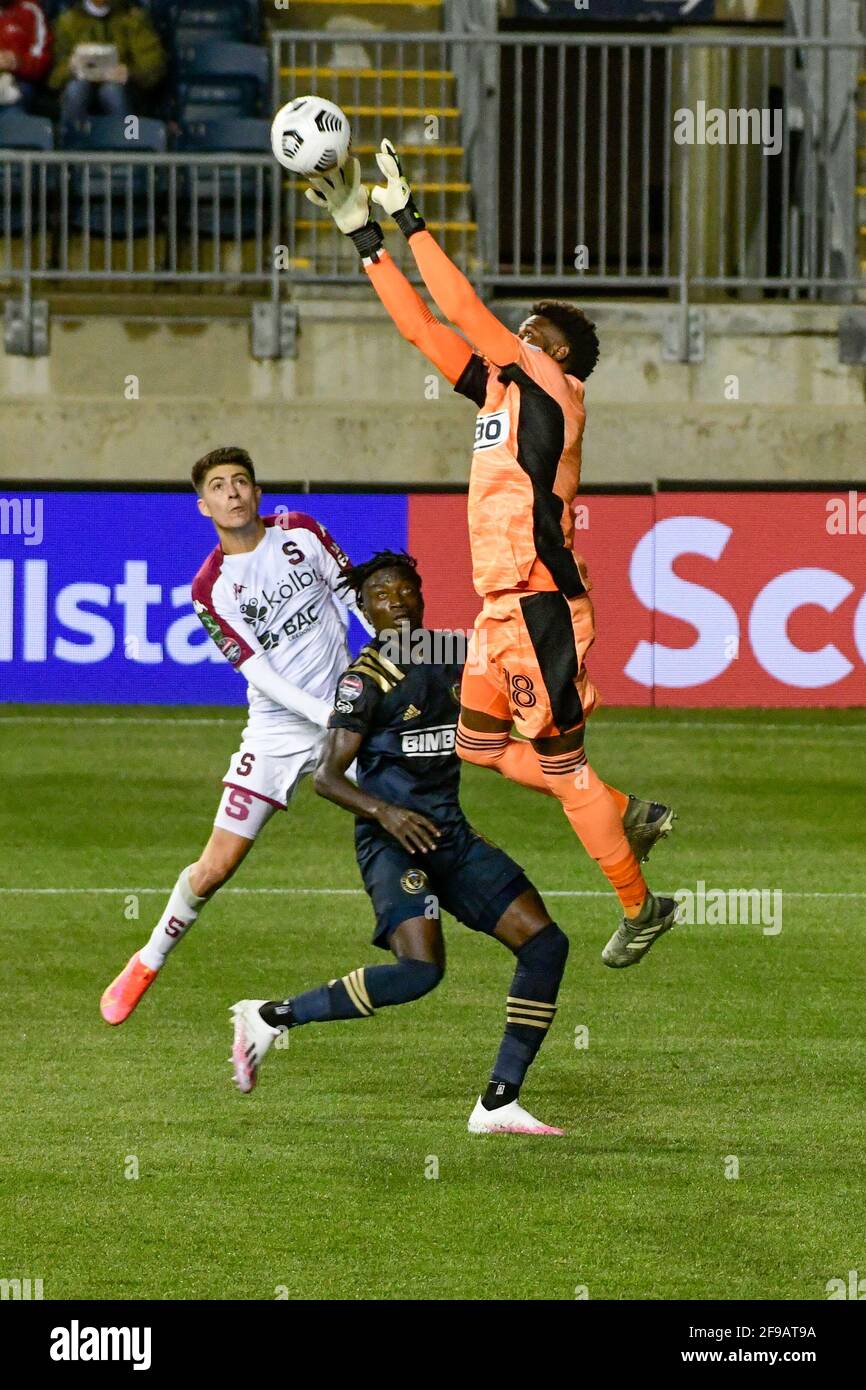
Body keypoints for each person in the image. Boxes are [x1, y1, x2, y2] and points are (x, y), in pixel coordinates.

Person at [302, 145, 676, 970]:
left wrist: (412, 222)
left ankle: (640, 905)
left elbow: (465, 309)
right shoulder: (505, 392)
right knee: (477, 747)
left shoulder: (551, 385)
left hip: (539, 602)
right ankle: (626, 812)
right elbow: (423, 328)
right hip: (499, 605)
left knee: (562, 766)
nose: (521, 334)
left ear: (556, 356)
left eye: (534, 332)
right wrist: (365, 240)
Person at [230, 551, 572, 1134]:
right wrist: (385, 813)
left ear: (422, 594)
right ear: (366, 612)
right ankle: (271, 1016)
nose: (397, 602)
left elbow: (519, 672)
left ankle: (497, 1103)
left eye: (405, 590)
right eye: (381, 597)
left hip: (449, 836)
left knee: (545, 945)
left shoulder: (453, 653)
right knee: (419, 972)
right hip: (391, 844)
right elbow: (326, 778)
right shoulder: (363, 681)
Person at [100, 446, 373, 1025]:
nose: (232, 492)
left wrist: (391, 658)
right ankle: (148, 959)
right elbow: (260, 674)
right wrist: (329, 714)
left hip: (346, 716)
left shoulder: (301, 531)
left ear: (257, 491)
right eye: (219, 486)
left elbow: (356, 598)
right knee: (216, 867)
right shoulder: (210, 587)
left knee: (413, 814)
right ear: (205, 506)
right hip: (278, 731)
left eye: (241, 481)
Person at [49, 0, 165, 122]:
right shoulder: (67, 21)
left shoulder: (133, 18)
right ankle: (70, 133)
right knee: (76, 89)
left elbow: (154, 66)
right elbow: (53, 78)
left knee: (112, 91)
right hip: (80, 84)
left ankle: (127, 133)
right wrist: (70, 67)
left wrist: (130, 73)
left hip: (124, 88)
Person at [0, 0, 52, 110]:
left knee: (14, 99)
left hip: (21, 79)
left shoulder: (30, 10)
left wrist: (18, 62)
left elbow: (42, 57)